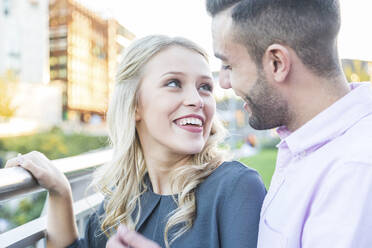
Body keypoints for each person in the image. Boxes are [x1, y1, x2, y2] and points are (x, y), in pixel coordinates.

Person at [5, 35, 266, 248]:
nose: (197, 100)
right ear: (134, 106)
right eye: (174, 83)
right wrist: (60, 190)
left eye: (205, 87)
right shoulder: (123, 199)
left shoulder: (237, 188)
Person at [206, 0, 372, 247]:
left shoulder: (355, 172)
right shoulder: (307, 147)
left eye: (229, 65)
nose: (224, 83)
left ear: (277, 63)